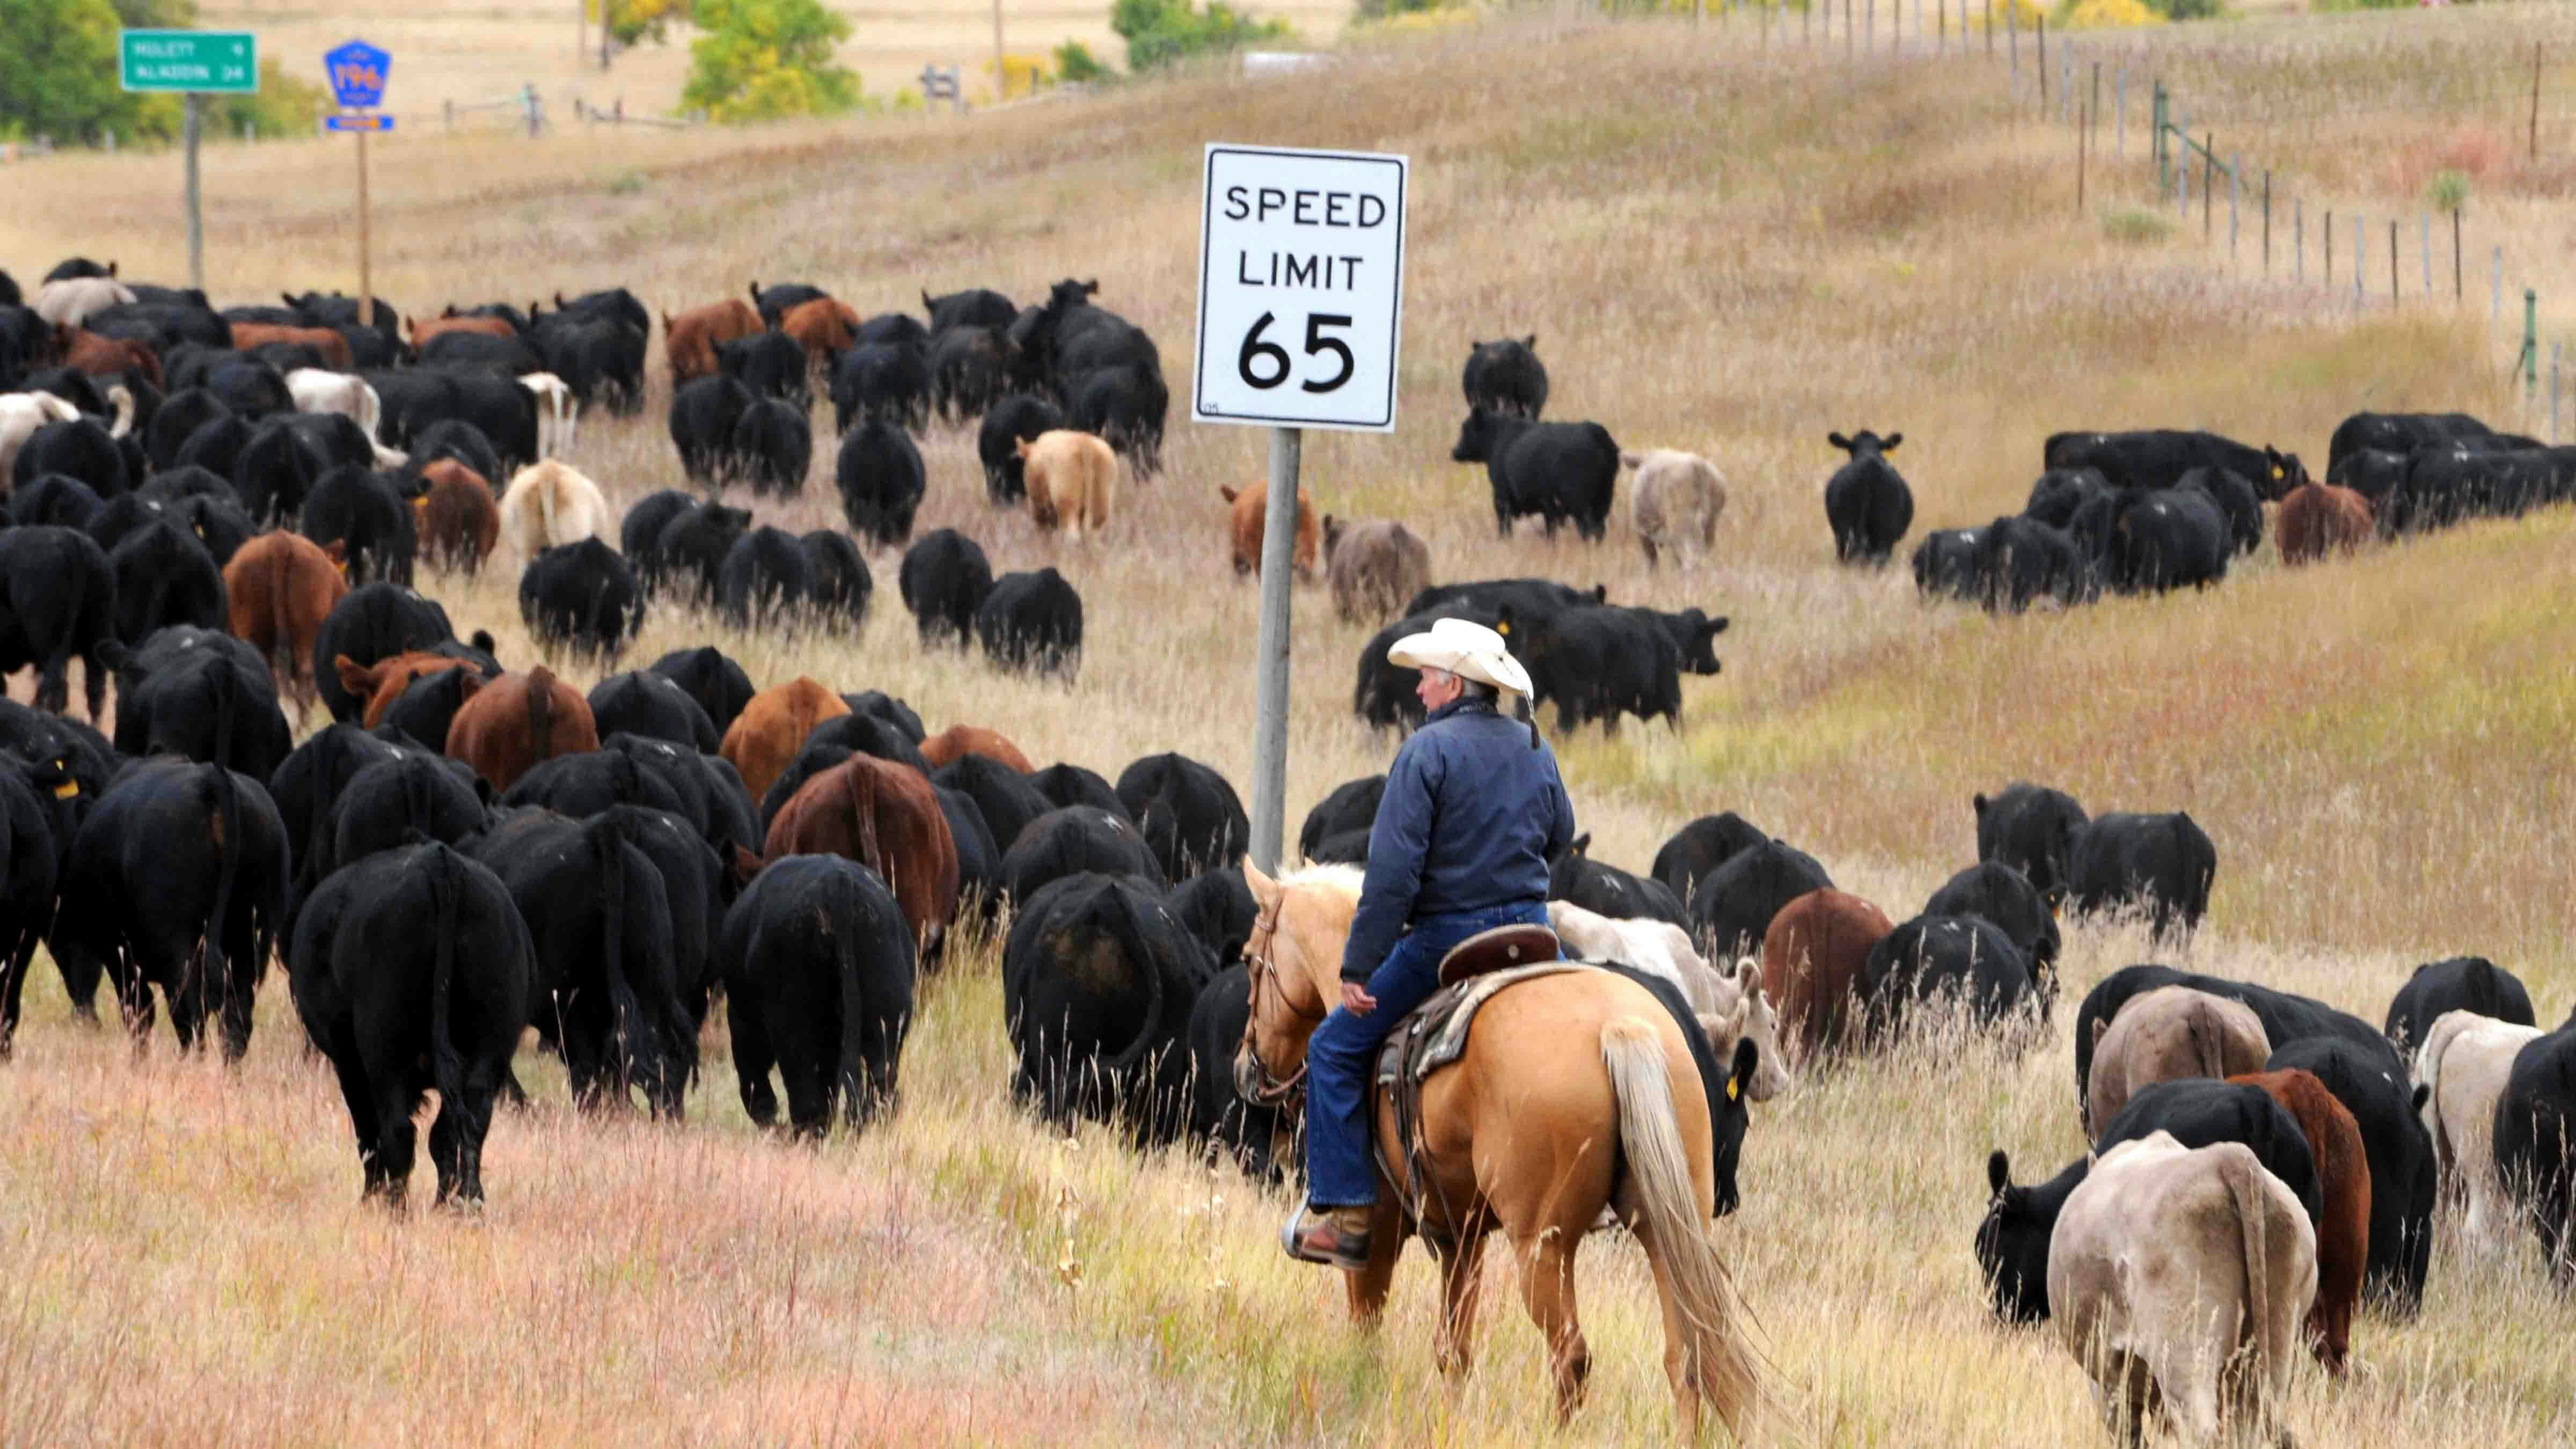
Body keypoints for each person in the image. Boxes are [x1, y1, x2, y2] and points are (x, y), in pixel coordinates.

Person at [1282, 617, 1575, 1270]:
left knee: (1333, 1047)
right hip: (1533, 934)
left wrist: (1358, 965)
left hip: (1447, 938)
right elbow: (1563, 835)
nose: (1417, 691)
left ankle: (1349, 1217)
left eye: (1424, 677)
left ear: (1452, 683)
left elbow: (1392, 878)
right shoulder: (1535, 746)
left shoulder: (1426, 753)